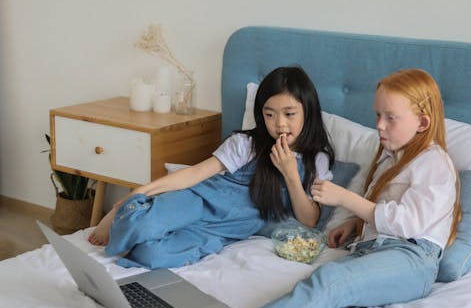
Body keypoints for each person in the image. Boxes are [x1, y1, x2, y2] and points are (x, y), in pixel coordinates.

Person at [162, 68, 461, 308]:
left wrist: (347, 200)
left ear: (423, 122)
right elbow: (385, 213)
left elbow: (410, 224)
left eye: (390, 118)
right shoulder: (389, 158)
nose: (379, 126)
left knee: (330, 281)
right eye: (377, 115)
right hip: (379, 250)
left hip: (413, 259)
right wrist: (352, 223)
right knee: (317, 295)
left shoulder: (433, 162)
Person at [88, 66, 335, 269]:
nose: (279, 124)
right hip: (201, 200)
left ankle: (136, 222)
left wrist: (290, 174)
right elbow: (196, 173)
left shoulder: (317, 160)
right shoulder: (247, 144)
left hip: (226, 229)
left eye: (289, 114)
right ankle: (126, 208)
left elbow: (310, 220)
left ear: (308, 112)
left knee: (151, 258)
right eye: (270, 115)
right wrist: (141, 190)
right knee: (143, 226)